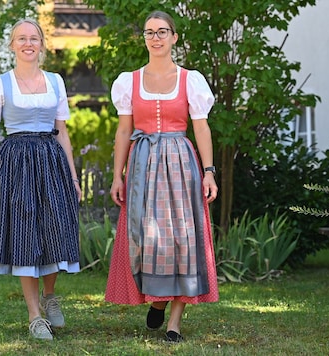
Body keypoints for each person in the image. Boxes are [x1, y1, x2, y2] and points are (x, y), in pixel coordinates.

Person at [105, 10, 219, 343]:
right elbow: (124, 129)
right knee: (147, 237)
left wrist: (209, 172)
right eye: (149, 32)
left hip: (181, 164)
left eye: (162, 31)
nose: (155, 38)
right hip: (142, 165)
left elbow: (201, 126)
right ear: (144, 38)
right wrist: (117, 175)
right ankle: (156, 300)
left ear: (174, 37)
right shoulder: (130, 80)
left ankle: (175, 322)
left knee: (183, 238)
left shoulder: (190, 80)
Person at [0, 18, 81, 341]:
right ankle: (34, 315)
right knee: (24, 235)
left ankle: (50, 296)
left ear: (42, 44)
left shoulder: (56, 82)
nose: (28, 43)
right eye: (21, 38)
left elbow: (63, 134)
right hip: (16, 165)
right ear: (12, 45)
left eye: (33, 38)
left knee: (52, 232)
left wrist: (73, 179)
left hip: (50, 162)